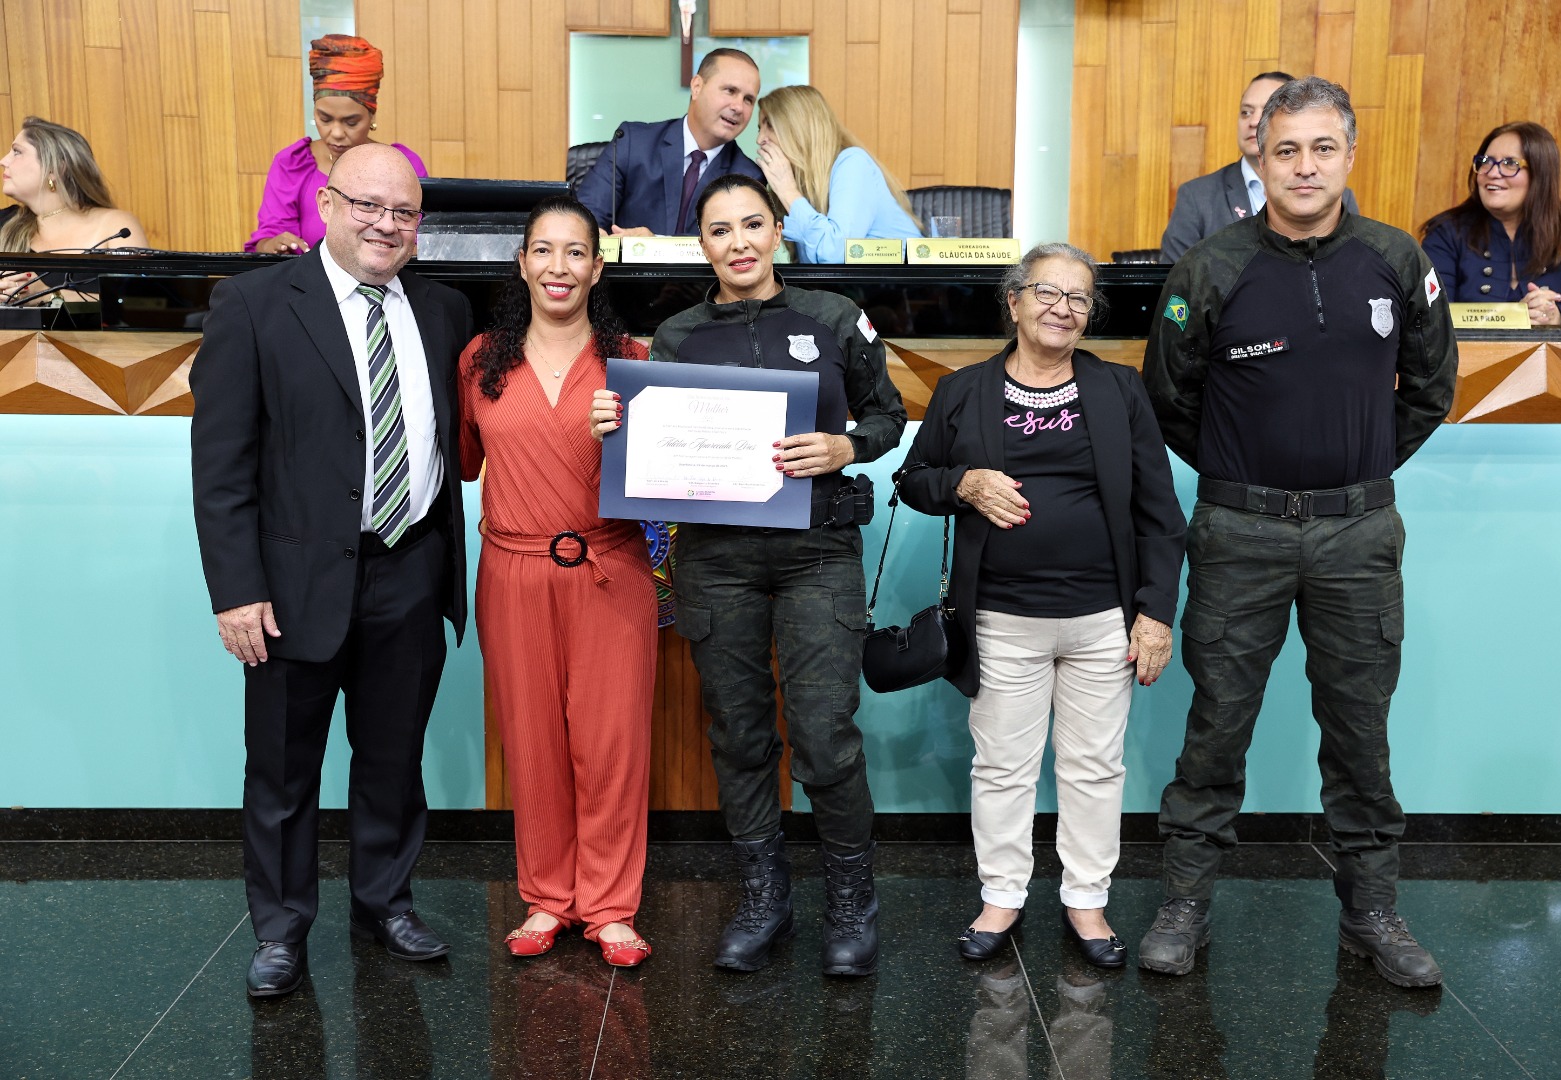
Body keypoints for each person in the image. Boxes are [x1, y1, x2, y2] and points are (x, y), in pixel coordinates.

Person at [1140, 77, 1458, 989]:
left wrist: (1358, 465)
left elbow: (1432, 387)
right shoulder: (1210, 268)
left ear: (1349, 154)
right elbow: (1171, 399)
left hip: (1359, 537)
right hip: (1239, 533)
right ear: (1261, 158)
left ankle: (1373, 911)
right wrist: (1245, 471)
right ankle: (1185, 904)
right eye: (1287, 150)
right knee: (1216, 726)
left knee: (1361, 730)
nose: (1305, 167)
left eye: (1323, 148)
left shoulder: (1396, 260)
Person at [591, 174, 906, 976]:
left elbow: (888, 415)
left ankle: (852, 903)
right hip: (717, 560)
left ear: (777, 232)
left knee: (825, 735)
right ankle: (766, 899)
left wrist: (845, 446)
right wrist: (616, 426)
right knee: (738, 734)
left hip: (817, 552)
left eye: (752, 224)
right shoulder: (677, 336)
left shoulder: (833, 316)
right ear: (701, 244)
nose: (738, 243)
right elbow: (652, 449)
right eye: (720, 229)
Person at [192, 143, 474, 998]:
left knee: (392, 759)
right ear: (326, 205)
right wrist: (236, 590)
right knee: (283, 770)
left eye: (404, 212)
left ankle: (386, 902)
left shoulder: (445, 309)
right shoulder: (253, 304)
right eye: (368, 205)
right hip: (290, 587)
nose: (386, 224)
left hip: (409, 567)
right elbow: (221, 464)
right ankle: (280, 929)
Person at [897, 243, 1185, 967]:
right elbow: (913, 479)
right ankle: (1001, 896)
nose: (1062, 308)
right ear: (1014, 302)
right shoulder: (964, 390)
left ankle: (1087, 901)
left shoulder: (1119, 390)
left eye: (1079, 298)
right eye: (1047, 292)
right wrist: (962, 484)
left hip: (1102, 620)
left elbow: (1159, 511)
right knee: (1001, 767)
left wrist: (1155, 612)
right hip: (1001, 618)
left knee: (1095, 768)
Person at [459, 195, 656, 969]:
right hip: (511, 570)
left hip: (610, 569)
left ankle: (610, 907)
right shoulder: (480, 361)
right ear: (522, 263)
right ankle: (547, 897)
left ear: (597, 269)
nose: (559, 267)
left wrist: (630, 434)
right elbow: (464, 461)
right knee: (532, 738)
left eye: (576, 252)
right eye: (544, 250)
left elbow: (663, 482)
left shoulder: (633, 362)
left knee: (612, 744)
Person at [246, 34, 427, 255]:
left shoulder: (404, 166)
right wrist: (273, 245)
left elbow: (423, 241)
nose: (337, 133)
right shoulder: (293, 164)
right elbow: (267, 240)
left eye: (351, 122)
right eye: (324, 119)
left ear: (371, 116)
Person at [1158, 72, 1359, 263]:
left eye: (1265, 111)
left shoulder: (1338, 196)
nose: (1254, 121)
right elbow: (1177, 278)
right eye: (1246, 112)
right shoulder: (1197, 196)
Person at [1420, 121, 1561, 325]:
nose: (1492, 173)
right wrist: (1515, 315)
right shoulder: (1446, 232)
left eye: (1510, 163)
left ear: (1540, 173)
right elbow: (1432, 315)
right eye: (1485, 161)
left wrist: (1558, 316)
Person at [574, 48, 764, 237]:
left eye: (748, 100)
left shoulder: (748, 176)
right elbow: (584, 217)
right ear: (697, 87)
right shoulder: (633, 143)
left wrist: (654, 244)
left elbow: (733, 243)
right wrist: (595, 236)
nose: (738, 107)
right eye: (730, 91)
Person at [753, 84, 921, 263]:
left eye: (770, 126)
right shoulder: (802, 184)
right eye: (759, 128)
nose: (760, 139)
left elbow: (835, 255)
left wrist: (787, 191)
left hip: (905, 279)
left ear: (800, 129)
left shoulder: (853, 162)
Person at [0, 116, 147, 304]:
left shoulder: (116, 227)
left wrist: (48, 295)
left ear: (55, 168)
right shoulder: (4, 223)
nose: (3, 161)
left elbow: (141, 304)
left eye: (17, 152)